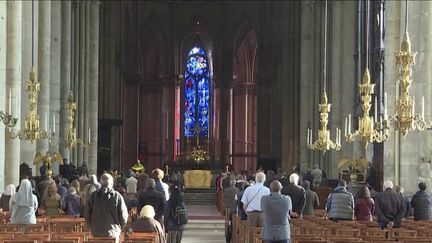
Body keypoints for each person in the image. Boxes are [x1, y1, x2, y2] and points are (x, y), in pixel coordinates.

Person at [85, 173, 129, 242]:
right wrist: (118, 228)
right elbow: (123, 217)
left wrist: (92, 227)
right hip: (113, 233)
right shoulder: (117, 196)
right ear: (112, 183)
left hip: (96, 233)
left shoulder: (93, 196)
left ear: (100, 183)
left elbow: (87, 215)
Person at [241, 172, 270, 243]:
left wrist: (248, 213)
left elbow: (244, 205)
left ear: (255, 179)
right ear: (264, 180)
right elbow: (269, 205)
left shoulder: (248, 189)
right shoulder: (267, 190)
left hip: (251, 214)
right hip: (263, 214)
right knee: (263, 234)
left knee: (251, 234)